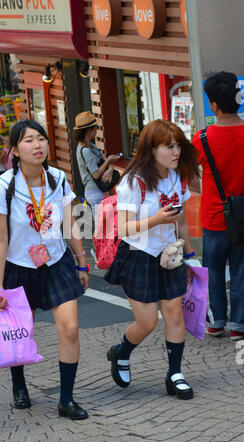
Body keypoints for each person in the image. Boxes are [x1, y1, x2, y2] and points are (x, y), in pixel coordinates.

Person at [0, 119, 89, 420]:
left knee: (70, 329)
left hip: (56, 263)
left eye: (41, 139)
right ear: (15, 150)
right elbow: (0, 238)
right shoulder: (3, 186)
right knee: (20, 333)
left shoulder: (58, 179)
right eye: (29, 140)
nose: (38, 145)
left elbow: (70, 224)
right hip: (19, 267)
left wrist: (82, 261)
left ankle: (66, 400)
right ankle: (19, 384)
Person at [104, 119, 199, 400]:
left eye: (178, 145)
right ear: (151, 149)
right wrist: (156, 219)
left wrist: (190, 257)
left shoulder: (176, 176)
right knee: (146, 322)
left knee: (174, 312)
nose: (176, 152)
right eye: (169, 147)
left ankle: (175, 374)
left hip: (171, 255)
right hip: (139, 256)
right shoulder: (134, 182)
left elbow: (180, 222)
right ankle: (121, 352)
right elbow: (123, 228)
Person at [192, 71, 244, 341]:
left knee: (213, 271)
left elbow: (188, 175)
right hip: (243, 217)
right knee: (241, 270)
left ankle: (216, 322)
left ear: (212, 104)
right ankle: (238, 325)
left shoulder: (201, 139)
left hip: (213, 216)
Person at [74, 111, 121, 221]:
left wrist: (110, 168)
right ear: (90, 130)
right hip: (95, 192)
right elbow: (95, 174)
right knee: (103, 227)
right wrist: (109, 161)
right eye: (95, 128)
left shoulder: (91, 146)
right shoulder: (85, 151)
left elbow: (103, 160)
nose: (97, 130)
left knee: (109, 226)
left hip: (102, 190)